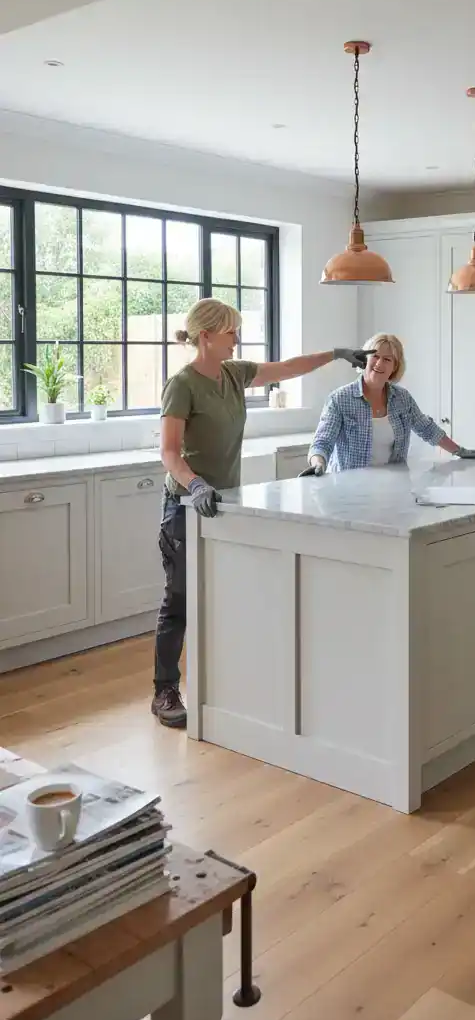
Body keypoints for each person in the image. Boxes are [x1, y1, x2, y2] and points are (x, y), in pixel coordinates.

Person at [154, 297, 370, 728]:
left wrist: (336, 354)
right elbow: (169, 452)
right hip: (185, 506)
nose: (237, 338)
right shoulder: (182, 384)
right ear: (206, 336)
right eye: (231, 331)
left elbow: (288, 368)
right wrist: (195, 484)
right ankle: (165, 690)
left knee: (226, 598)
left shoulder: (234, 374)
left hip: (224, 506)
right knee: (180, 601)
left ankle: (223, 687)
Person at [300, 332, 475, 474]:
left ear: (394, 367)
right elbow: (322, 442)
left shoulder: (402, 398)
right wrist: (318, 464)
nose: (379, 364)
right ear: (364, 360)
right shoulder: (339, 399)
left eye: (387, 359)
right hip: (349, 489)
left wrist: (460, 451)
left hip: (393, 489)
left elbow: (427, 429)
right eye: (375, 356)